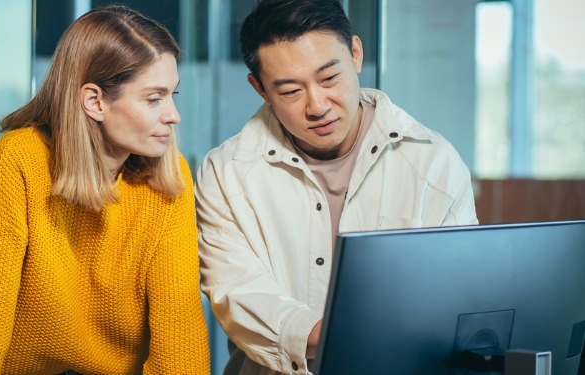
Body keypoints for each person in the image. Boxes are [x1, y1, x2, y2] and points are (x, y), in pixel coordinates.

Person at [194, 0, 479, 374]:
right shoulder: (225, 172)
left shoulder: (433, 162)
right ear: (260, 88)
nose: (317, 105)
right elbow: (240, 295)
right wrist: (352, 334)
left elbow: (458, 295)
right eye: (291, 91)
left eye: (329, 79)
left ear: (356, 54)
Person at [0, 5, 210, 375]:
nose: (173, 115)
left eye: (172, 96)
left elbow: (180, 333)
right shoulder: (17, 161)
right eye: (154, 99)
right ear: (95, 101)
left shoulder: (170, 176)